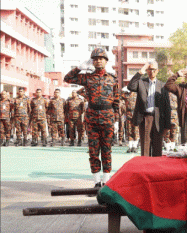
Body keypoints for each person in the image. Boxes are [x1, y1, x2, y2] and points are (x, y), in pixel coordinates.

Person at [64, 48, 119, 188]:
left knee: (107, 150)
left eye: (101, 58)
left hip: (107, 117)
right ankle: (96, 182)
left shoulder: (112, 79)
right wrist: (78, 68)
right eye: (95, 59)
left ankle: (106, 181)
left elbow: (116, 101)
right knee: (94, 150)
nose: (98, 60)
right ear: (92, 62)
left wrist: (117, 120)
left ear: (106, 61)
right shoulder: (87, 77)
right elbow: (67, 78)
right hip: (92, 118)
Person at [127, 61, 171, 156]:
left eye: (154, 69)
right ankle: (145, 169)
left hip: (158, 120)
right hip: (145, 118)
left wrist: (167, 126)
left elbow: (167, 107)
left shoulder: (163, 86)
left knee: (157, 149)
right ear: (147, 70)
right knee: (145, 148)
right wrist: (141, 71)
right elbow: (130, 86)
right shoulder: (141, 82)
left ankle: (156, 170)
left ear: (157, 71)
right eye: (150, 69)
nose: (152, 71)